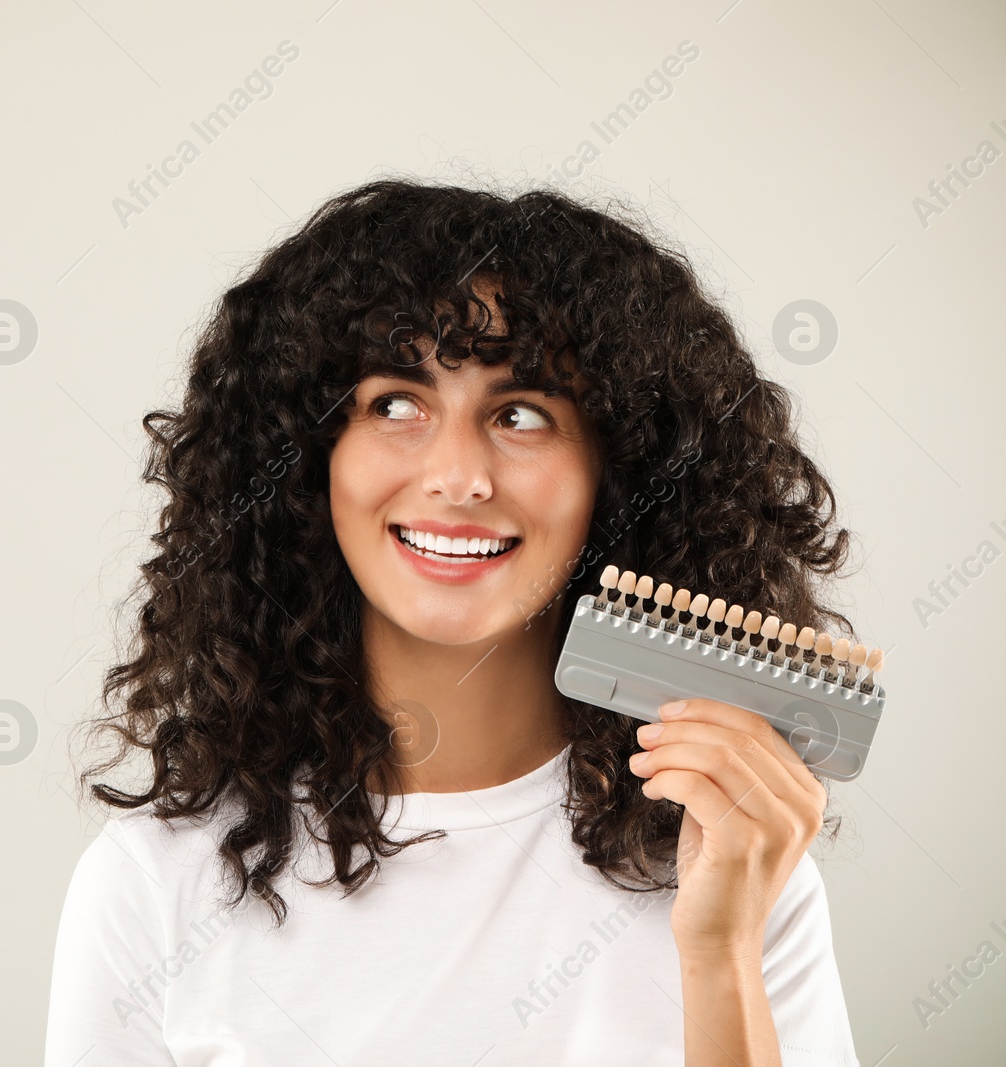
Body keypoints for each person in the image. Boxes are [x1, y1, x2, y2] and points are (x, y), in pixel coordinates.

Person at [45, 178, 861, 1066]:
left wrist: (719, 955)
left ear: (615, 477)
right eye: (396, 403)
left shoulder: (731, 863)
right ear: (309, 462)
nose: (458, 476)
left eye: (521, 414)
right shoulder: (159, 884)